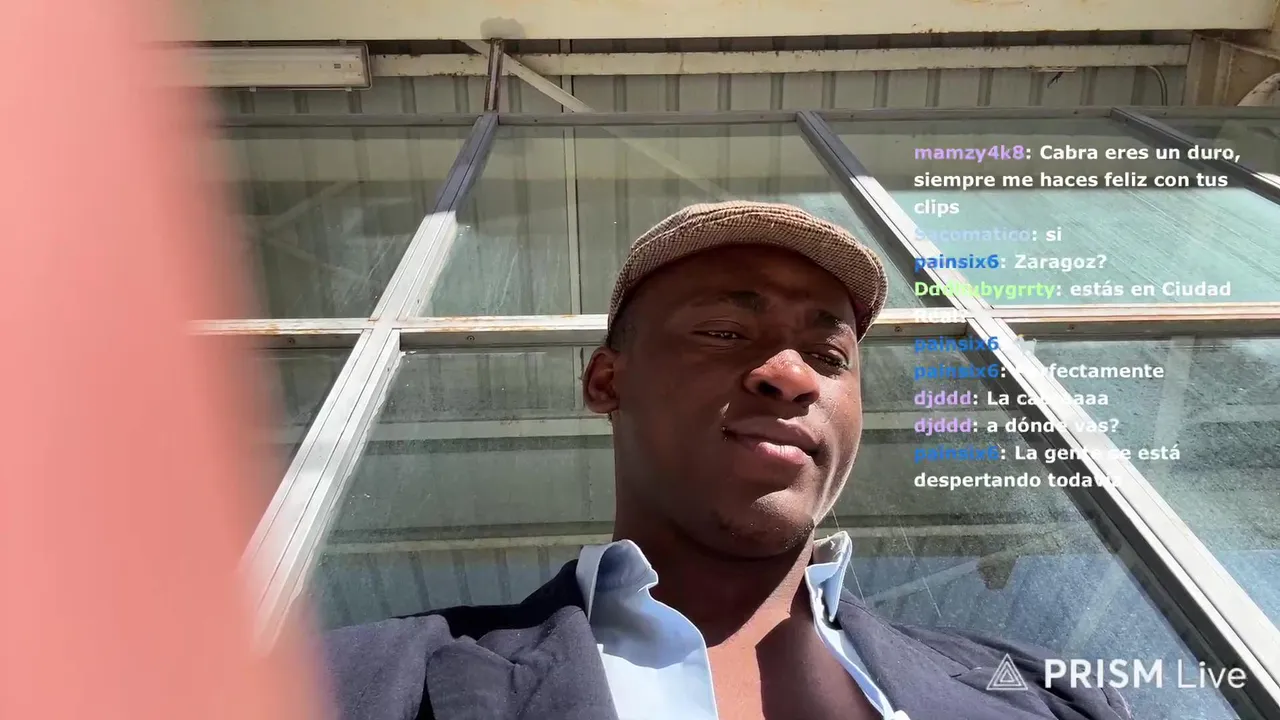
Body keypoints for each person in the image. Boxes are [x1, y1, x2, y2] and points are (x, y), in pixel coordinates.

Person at [322, 201, 1132, 720]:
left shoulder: (1044, 694)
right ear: (607, 382)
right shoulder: (345, 681)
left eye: (829, 356)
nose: (792, 375)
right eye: (724, 332)